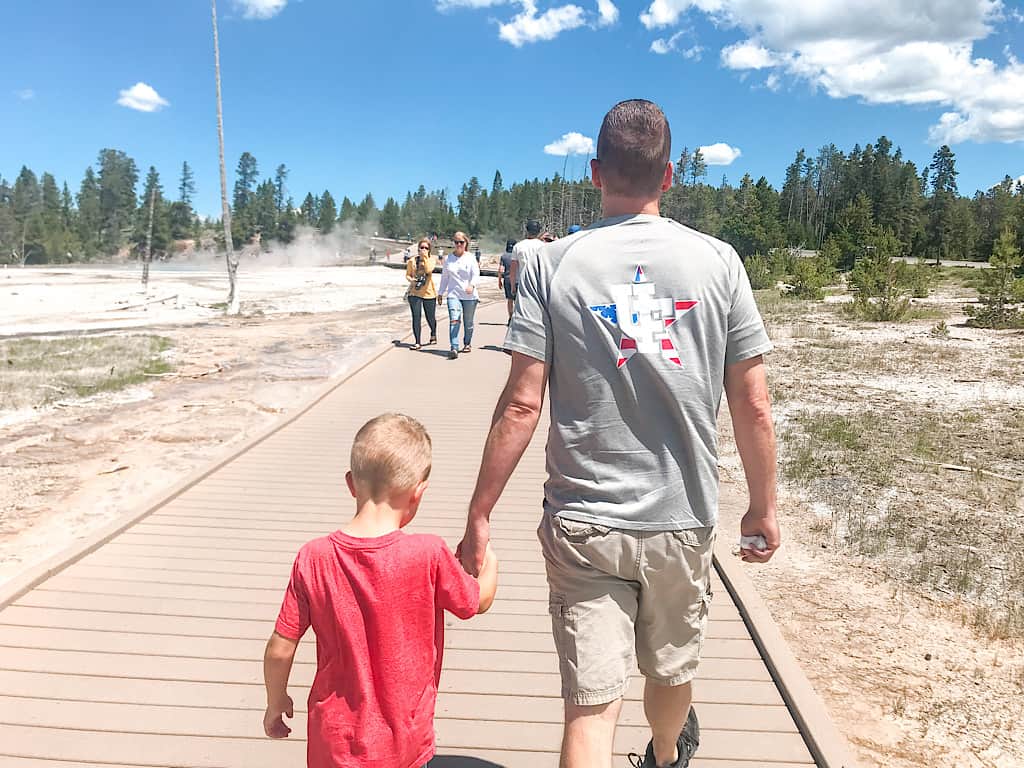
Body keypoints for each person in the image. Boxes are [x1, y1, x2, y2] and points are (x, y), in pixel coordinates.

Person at [457, 99, 779, 768]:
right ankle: (666, 756)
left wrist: (479, 512)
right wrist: (763, 506)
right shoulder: (720, 262)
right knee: (670, 670)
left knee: (589, 709)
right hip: (680, 518)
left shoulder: (549, 265)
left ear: (598, 172)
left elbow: (522, 404)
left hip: (583, 523)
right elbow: (752, 403)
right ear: (669, 177)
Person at [263, 413, 499, 768]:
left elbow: (280, 649)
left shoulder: (313, 557)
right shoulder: (428, 553)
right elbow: (476, 601)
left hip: (334, 737)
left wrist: (276, 699)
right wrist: (490, 558)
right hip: (404, 736)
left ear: (350, 483)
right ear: (419, 492)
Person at [437, 231, 480, 359]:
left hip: (469, 295)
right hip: (453, 294)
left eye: (461, 242)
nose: (459, 244)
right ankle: (454, 347)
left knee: (468, 323)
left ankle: (467, 343)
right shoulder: (449, 259)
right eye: (456, 242)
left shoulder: (471, 257)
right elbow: (445, 277)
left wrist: (471, 285)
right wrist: (440, 293)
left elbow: (476, 273)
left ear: (466, 243)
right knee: (454, 319)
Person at [405, 237, 438, 350]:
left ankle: (433, 332)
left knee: (430, 317)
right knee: (416, 317)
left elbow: (428, 270)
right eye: (421, 247)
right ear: (418, 248)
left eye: (426, 248)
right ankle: (417, 342)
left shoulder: (431, 260)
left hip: (429, 293)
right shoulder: (412, 260)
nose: (423, 249)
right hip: (414, 292)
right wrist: (411, 280)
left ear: (429, 249)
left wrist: (424, 258)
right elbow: (408, 274)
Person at [509, 219, 544, 290]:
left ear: (527, 230)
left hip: (523, 283)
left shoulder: (518, 246)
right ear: (539, 231)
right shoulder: (543, 246)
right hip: (538, 284)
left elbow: (513, 269)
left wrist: (512, 286)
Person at [499, 239, 517, 324]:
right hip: (517, 280)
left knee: (509, 300)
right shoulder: (517, 255)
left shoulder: (504, 256)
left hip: (507, 279)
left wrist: (499, 280)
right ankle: (516, 318)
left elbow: (501, 269)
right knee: (517, 300)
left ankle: (510, 317)